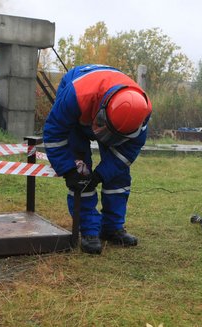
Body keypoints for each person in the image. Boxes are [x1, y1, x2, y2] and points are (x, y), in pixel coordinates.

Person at [43, 64, 152, 254]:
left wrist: (101, 175)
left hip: (104, 109)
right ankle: (89, 231)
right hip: (81, 111)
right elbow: (54, 134)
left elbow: (125, 153)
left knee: (118, 177)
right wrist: (68, 169)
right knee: (81, 172)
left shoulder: (141, 115)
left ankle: (112, 228)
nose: (106, 140)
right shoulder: (75, 96)